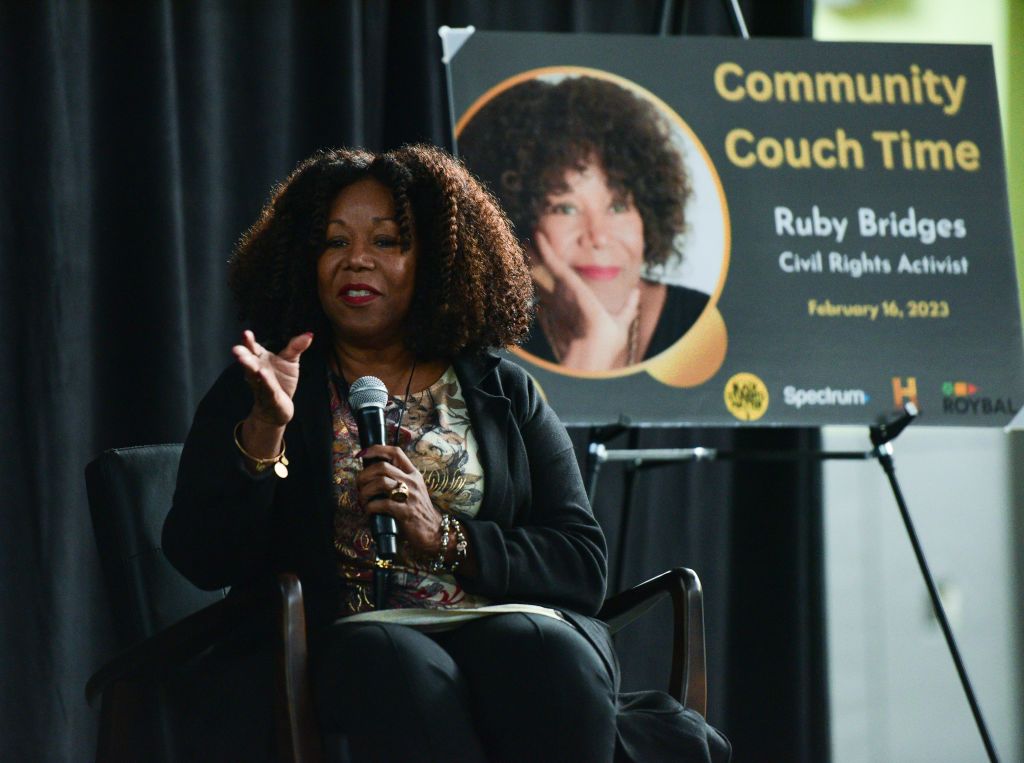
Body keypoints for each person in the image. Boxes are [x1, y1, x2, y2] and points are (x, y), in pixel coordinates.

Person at [162, 145, 728, 763]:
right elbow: (203, 556)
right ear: (305, 259)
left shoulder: (501, 391)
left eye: (387, 242)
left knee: (546, 652)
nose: (357, 260)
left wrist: (447, 539)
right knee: (398, 664)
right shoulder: (268, 384)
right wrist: (266, 431)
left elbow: (580, 564)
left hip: (502, 627)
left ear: (434, 260)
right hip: (346, 641)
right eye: (334, 242)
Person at [457, 75, 711, 371]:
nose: (598, 236)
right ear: (517, 228)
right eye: (565, 209)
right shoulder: (494, 347)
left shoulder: (705, 323)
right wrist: (593, 344)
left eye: (617, 206)